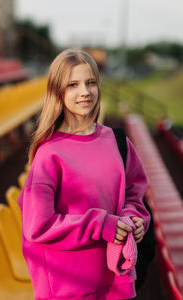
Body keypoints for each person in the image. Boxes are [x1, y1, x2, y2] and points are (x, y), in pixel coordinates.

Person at [18, 48, 150, 300]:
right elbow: (38, 226)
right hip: (69, 289)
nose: (84, 92)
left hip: (117, 284)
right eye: (73, 84)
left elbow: (135, 192)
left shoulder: (118, 141)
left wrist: (134, 218)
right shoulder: (49, 155)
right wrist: (101, 225)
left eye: (91, 82)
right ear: (58, 91)